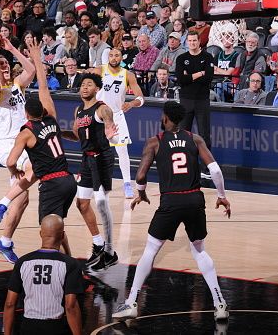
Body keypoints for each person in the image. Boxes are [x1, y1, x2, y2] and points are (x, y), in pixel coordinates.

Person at [113, 101, 231, 320]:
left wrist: (141, 192)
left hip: (171, 202)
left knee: (151, 249)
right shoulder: (195, 139)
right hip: (195, 200)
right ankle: (220, 303)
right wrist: (222, 197)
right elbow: (215, 170)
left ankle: (130, 303)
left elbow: (140, 176)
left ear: (165, 118)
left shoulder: (154, 142)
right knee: (199, 250)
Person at [4, 40, 77, 253]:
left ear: (26, 114)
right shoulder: (52, 118)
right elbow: (43, 86)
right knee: (58, 228)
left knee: (48, 232)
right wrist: (37, 57)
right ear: (43, 111)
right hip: (68, 180)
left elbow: (10, 161)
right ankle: (70, 265)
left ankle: (63, 269)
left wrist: (14, 171)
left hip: (52, 184)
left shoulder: (26, 132)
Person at [0, 37, 36, 263]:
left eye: (5, 63)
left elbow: (31, 69)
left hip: (24, 143)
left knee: (22, 199)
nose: (4, 66)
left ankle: (4, 242)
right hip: (7, 145)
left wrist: (12, 48)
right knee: (36, 168)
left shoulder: (17, 85)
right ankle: (0, 205)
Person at [64, 73, 120, 272]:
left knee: (102, 203)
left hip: (102, 159)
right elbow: (76, 135)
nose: (84, 87)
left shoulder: (102, 108)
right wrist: (58, 132)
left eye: (89, 84)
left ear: (97, 89)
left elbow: (108, 123)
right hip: (87, 159)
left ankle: (110, 252)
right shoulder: (78, 110)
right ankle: (98, 243)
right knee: (81, 203)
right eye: (82, 85)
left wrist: (110, 132)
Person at [3, 214, 83, 335]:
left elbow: (10, 304)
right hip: (55, 328)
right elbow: (70, 306)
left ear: (40, 234)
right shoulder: (71, 264)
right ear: (62, 236)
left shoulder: (22, 262)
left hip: (28, 327)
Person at [94, 48, 145, 198]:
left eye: (117, 55)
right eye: (111, 55)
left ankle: (127, 184)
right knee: (94, 150)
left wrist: (131, 104)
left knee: (122, 151)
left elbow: (141, 98)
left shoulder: (128, 75)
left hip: (116, 115)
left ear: (121, 58)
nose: (114, 58)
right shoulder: (99, 70)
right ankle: (92, 180)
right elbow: (87, 88)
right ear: (108, 57)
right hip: (99, 115)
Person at [174, 31, 214, 176]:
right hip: (185, 101)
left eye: (194, 40)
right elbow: (180, 80)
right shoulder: (181, 58)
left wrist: (189, 76)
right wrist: (200, 73)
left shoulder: (207, 57)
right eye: (189, 41)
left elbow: (209, 77)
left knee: (204, 135)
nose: (192, 43)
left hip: (202, 100)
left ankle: (205, 168)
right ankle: (186, 167)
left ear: (199, 42)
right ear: (187, 42)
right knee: (184, 135)